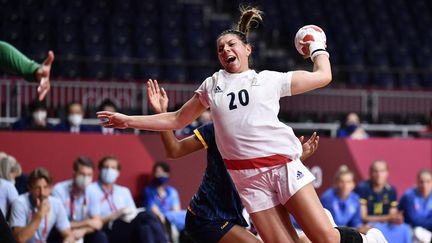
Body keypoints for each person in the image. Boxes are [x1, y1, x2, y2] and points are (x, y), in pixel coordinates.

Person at [98, 7, 386, 243]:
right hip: (248, 180)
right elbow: (176, 119)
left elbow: (323, 76)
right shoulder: (212, 85)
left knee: (324, 239)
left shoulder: (270, 79)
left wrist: (317, 46)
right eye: (220, 48)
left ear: (247, 49)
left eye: (231, 44)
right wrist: (128, 120)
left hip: (281, 166)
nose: (225, 50)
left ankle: (370, 240)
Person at [146, 82, 320, 243]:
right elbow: (174, 150)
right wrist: (162, 114)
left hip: (231, 217)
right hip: (206, 218)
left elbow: (268, 172)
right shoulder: (215, 129)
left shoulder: (264, 136)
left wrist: (297, 159)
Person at [87, 156, 168, 243]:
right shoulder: (91, 189)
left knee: (145, 228)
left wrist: (126, 214)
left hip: (126, 226)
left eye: (113, 168)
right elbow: (94, 220)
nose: (109, 170)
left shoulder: (124, 191)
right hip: (107, 228)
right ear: (100, 170)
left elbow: (133, 213)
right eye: (106, 167)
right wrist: (116, 215)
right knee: (147, 214)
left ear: (118, 172)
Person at [9, 168, 75, 243]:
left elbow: (69, 234)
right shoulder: (20, 203)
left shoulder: (56, 203)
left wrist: (68, 239)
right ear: (30, 188)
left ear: (50, 188)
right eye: (37, 188)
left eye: (45, 187)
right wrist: (39, 215)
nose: (42, 193)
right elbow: (19, 239)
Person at [52, 156, 107, 243]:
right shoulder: (59, 190)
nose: (86, 178)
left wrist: (84, 230)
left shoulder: (93, 190)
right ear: (74, 174)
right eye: (82, 174)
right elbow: (58, 224)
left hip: (82, 231)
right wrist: (87, 222)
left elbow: (98, 223)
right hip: (61, 231)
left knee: (100, 237)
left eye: (89, 175)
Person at [355, 160, 412, 243]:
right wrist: (389, 217)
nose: (379, 175)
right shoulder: (363, 188)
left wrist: (397, 218)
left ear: (387, 173)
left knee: (405, 229)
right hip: (368, 224)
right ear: (370, 173)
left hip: (386, 224)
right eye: (375, 171)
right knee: (372, 229)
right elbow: (364, 217)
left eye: (382, 171)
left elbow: (392, 214)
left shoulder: (391, 190)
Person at [321, 165, 371, 233]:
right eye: (342, 182)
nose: (345, 186)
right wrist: (356, 229)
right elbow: (337, 222)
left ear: (353, 184)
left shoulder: (355, 199)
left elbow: (355, 221)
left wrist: (361, 227)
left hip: (344, 233)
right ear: (336, 183)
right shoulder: (328, 198)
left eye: (348, 182)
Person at [141, 162, 187, 232]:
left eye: (163, 172)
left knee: (187, 215)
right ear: (154, 174)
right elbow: (153, 210)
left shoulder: (172, 191)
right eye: (158, 172)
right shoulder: (149, 191)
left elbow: (177, 211)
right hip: (158, 218)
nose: (160, 175)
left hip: (172, 218)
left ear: (168, 174)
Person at [399, 169, 432, 243]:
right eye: (421, 182)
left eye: (428, 182)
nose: (424, 185)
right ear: (417, 182)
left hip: (429, 230)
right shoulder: (409, 196)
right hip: (412, 230)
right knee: (418, 232)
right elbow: (415, 221)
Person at [0, 153, 20, 218]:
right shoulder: (8, 185)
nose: (15, 181)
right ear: (10, 172)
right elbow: (18, 206)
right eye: (14, 177)